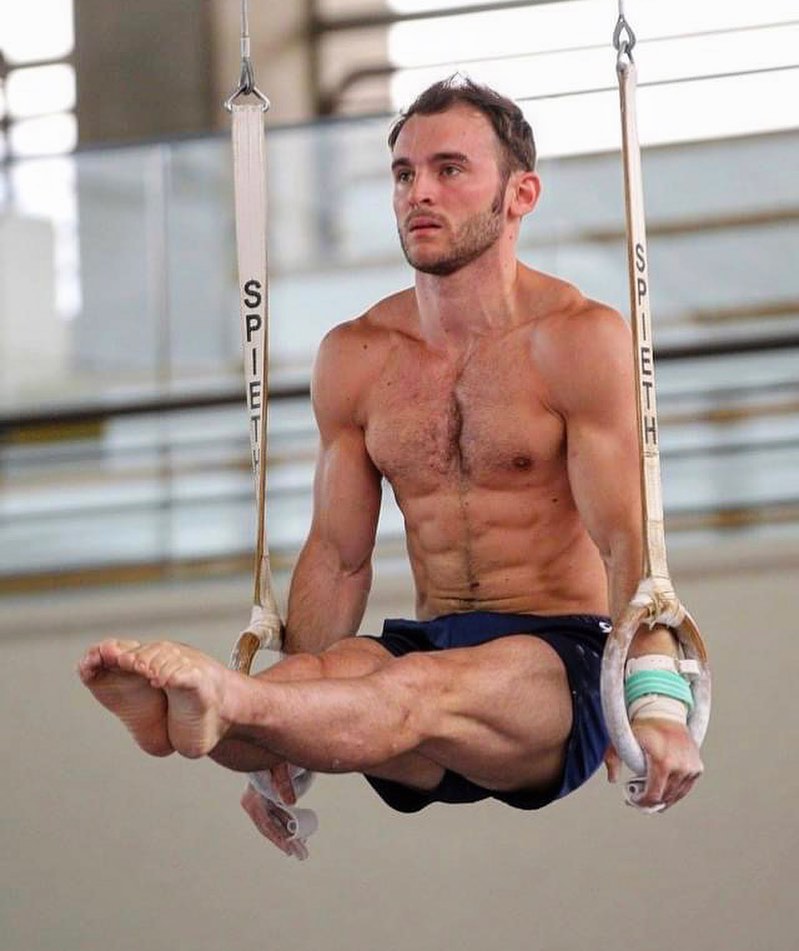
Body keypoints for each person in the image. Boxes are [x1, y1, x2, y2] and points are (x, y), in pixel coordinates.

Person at [79, 76, 703, 857]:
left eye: (449, 169)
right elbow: (339, 559)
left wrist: (656, 702)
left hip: (556, 663)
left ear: (520, 194)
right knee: (321, 683)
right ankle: (196, 719)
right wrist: (292, 730)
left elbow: (626, 544)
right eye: (404, 174)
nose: (420, 192)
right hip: (429, 639)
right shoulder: (357, 355)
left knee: (403, 691)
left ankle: (225, 700)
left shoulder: (577, 340)